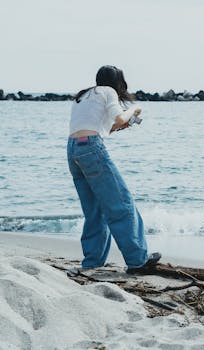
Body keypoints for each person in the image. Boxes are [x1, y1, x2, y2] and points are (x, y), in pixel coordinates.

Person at [67, 65, 160, 273]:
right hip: (90, 147)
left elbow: (104, 127)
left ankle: (92, 261)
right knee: (121, 202)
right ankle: (138, 259)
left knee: (94, 210)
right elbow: (118, 119)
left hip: (72, 150)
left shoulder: (82, 96)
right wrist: (134, 110)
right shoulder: (107, 91)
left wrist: (123, 125)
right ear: (117, 83)